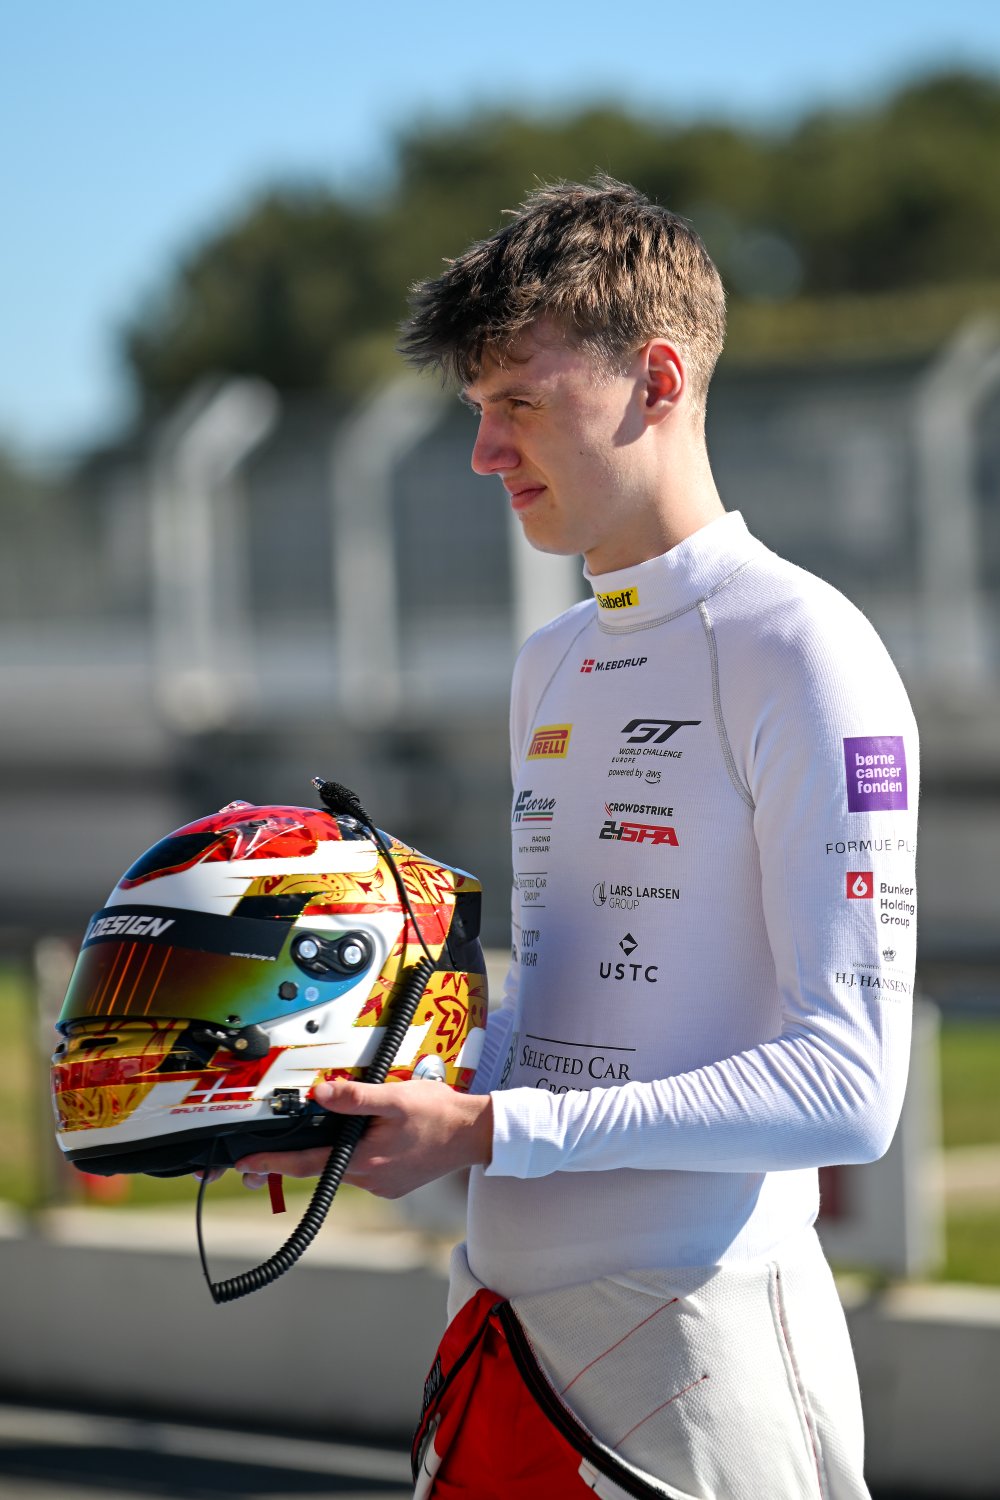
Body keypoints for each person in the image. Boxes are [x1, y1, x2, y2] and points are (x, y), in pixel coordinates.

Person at [236, 177, 919, 1498]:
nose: (485, 453)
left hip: (702, 1340)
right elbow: (566, 1023)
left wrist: (488, 1129)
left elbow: (850, 1089)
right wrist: (354, 1094)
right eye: (477, 410)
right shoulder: (549, 662)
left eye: (520, 402)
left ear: (657, 379)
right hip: (502, 1325)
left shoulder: (803, 647)